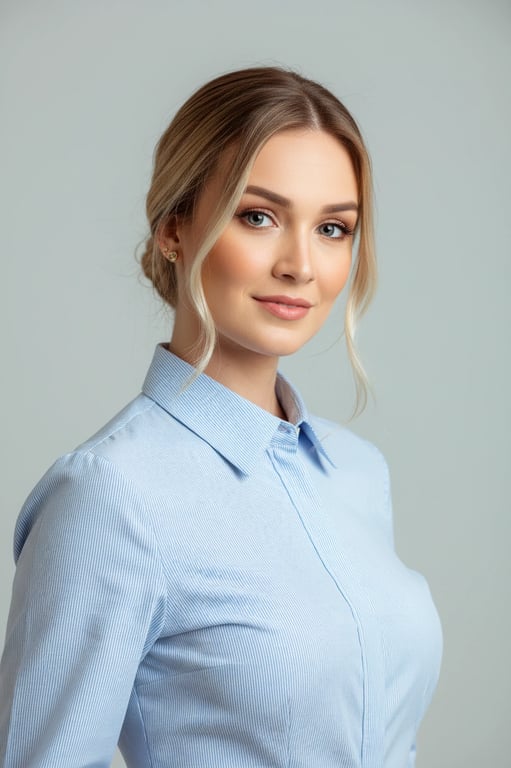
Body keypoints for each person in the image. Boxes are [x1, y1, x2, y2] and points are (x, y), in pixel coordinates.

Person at [0, 66, 442, 768]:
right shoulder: (109, 495)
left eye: (333, 228)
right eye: (258, 216)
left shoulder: (357, 472)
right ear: (174, 227)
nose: (300, 265)